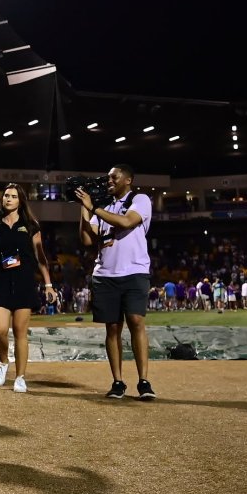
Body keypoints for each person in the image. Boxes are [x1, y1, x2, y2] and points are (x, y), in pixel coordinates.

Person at [76, 164, 155, 400]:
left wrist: (94, 207)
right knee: (112, 327)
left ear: (128, 179)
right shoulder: (104, 207)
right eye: (108, 177)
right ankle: (118, 382)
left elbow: (127, 222)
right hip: (106, 274)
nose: (109, 180)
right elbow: (87, 240)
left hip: (134, 271)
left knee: (136, 321)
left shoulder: (139, 199)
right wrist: (84, 208)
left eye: (114, 177)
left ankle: (143, 381)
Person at [0, 183, 57, 393]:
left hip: (24, 282)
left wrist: (48, 284)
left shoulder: (30, 224)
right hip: (0, 281)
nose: (8, 199)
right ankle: (4, 362)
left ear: (20, 200)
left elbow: (41, 258)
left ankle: (21, 377)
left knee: (21, 333)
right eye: (5, 195)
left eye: (13, 196)